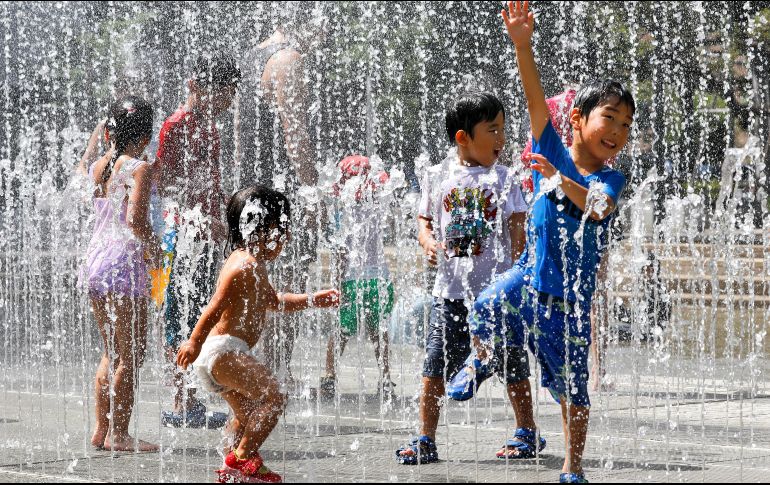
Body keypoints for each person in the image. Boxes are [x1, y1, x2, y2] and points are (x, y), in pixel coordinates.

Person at [459, 2, 636, 482]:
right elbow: (535, 99)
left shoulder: (609, 179)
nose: (619, 132)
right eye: (611, 118)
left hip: (571, 303)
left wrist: (560, 180)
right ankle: (482, 359)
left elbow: (598, 209)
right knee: (487, 306)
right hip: (528, 279)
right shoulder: (550, 148)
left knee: (574, 389)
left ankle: (572, 464)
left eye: (626, 125)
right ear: (577, 119)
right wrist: (523, 45)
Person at [395, 91, 530, 465]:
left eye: (503, 130)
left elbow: (517, 230)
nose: (502, 139)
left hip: (496, 295)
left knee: (512, 362)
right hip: (450, 292)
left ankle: (527, 431)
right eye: (493, 130)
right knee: (434, 364)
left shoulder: (505, 178)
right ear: (463, 137)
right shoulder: (437, 176)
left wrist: (520, 275)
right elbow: (423, 221)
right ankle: (425, 437)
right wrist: (426, 241)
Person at [176, 186, 339, 483]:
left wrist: (314, 299)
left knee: (248, 415)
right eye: (283, 229)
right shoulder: (243, 265)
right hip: (222, 351)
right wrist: (193, 341)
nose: (286, 238)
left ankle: (230, 471)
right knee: (274, 397)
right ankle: (240, 461)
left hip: (224, 353)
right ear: (262, 228)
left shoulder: (253, 265)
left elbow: (273, 302)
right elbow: (215, 306)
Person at [238, 9, 324, 387]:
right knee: (285, 285)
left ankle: (250, 375)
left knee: (252, 284)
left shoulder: (252, 55)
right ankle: (272, 376)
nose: (325, 35)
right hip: (279, 197)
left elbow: (241, 138)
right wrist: (312, 192)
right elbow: (295, 134)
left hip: (250, 192)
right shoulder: (288, 60)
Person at [155, 52, 240, 428]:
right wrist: (197, 215)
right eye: (227, 92)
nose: (231, 101)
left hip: (205, 236)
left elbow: (212, 180)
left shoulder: (208, 125)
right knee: (181, 316)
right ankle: (183, 401)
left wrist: (222, 215)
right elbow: (163, 181)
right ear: (203, 88)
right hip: (183, 238)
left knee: (200, 313)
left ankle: (191, 400)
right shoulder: (177, 125)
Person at [81, 95, 161, 452]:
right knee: (132, 354)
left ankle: (101, 430)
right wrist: (155, 247)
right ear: (144, 137)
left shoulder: (99, 166)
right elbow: (136, 221)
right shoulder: (139, 167)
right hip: (124, 265)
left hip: (96, 262)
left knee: (110, 351)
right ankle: (120, 433)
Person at [320, 155, 396, 400]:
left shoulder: (343, 213)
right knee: (378, 331)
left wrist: (337, 281)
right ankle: (385, 379)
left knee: (341, 330)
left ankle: (329, 377)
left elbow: (341, 252)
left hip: (352, 280)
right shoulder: (377, 207)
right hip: (380, 279)